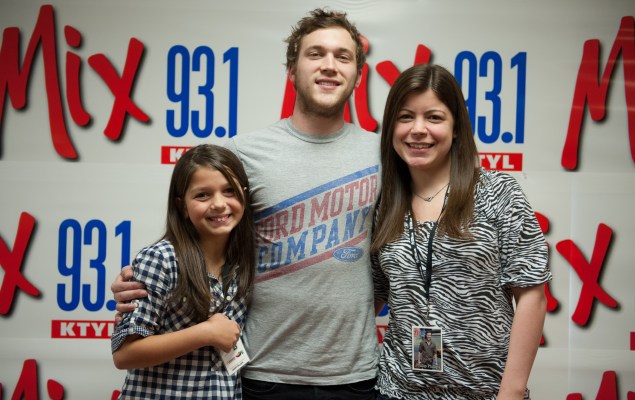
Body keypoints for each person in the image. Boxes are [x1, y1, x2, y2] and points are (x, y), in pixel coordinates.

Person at [111, 8, 380, 400]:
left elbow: (397, 251)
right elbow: (200, 239)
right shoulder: (243, 152)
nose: (329, 65)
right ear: (292, 70)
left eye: (342, 56)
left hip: (354, 374)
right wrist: (139, 282)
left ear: (357, 74)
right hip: (262, 372)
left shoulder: (383, 154)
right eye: (315, 54)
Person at [371, 64, 550, 400]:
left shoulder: (497, 192)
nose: (418, 129)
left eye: (434, 117)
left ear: (455, 128)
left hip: (485, 392)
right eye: (405, 117)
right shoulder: (385, 203)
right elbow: (374, 294)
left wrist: (511, 392)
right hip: (396, 390)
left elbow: (532, 296)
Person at [111, 144, 256, 399]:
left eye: (230, 191)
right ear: (182, 206)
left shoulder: (243, 262)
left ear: (244, 195)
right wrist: (206, 333)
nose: (219, 204)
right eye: (203, 195)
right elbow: (124, 354)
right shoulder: (161, 259)